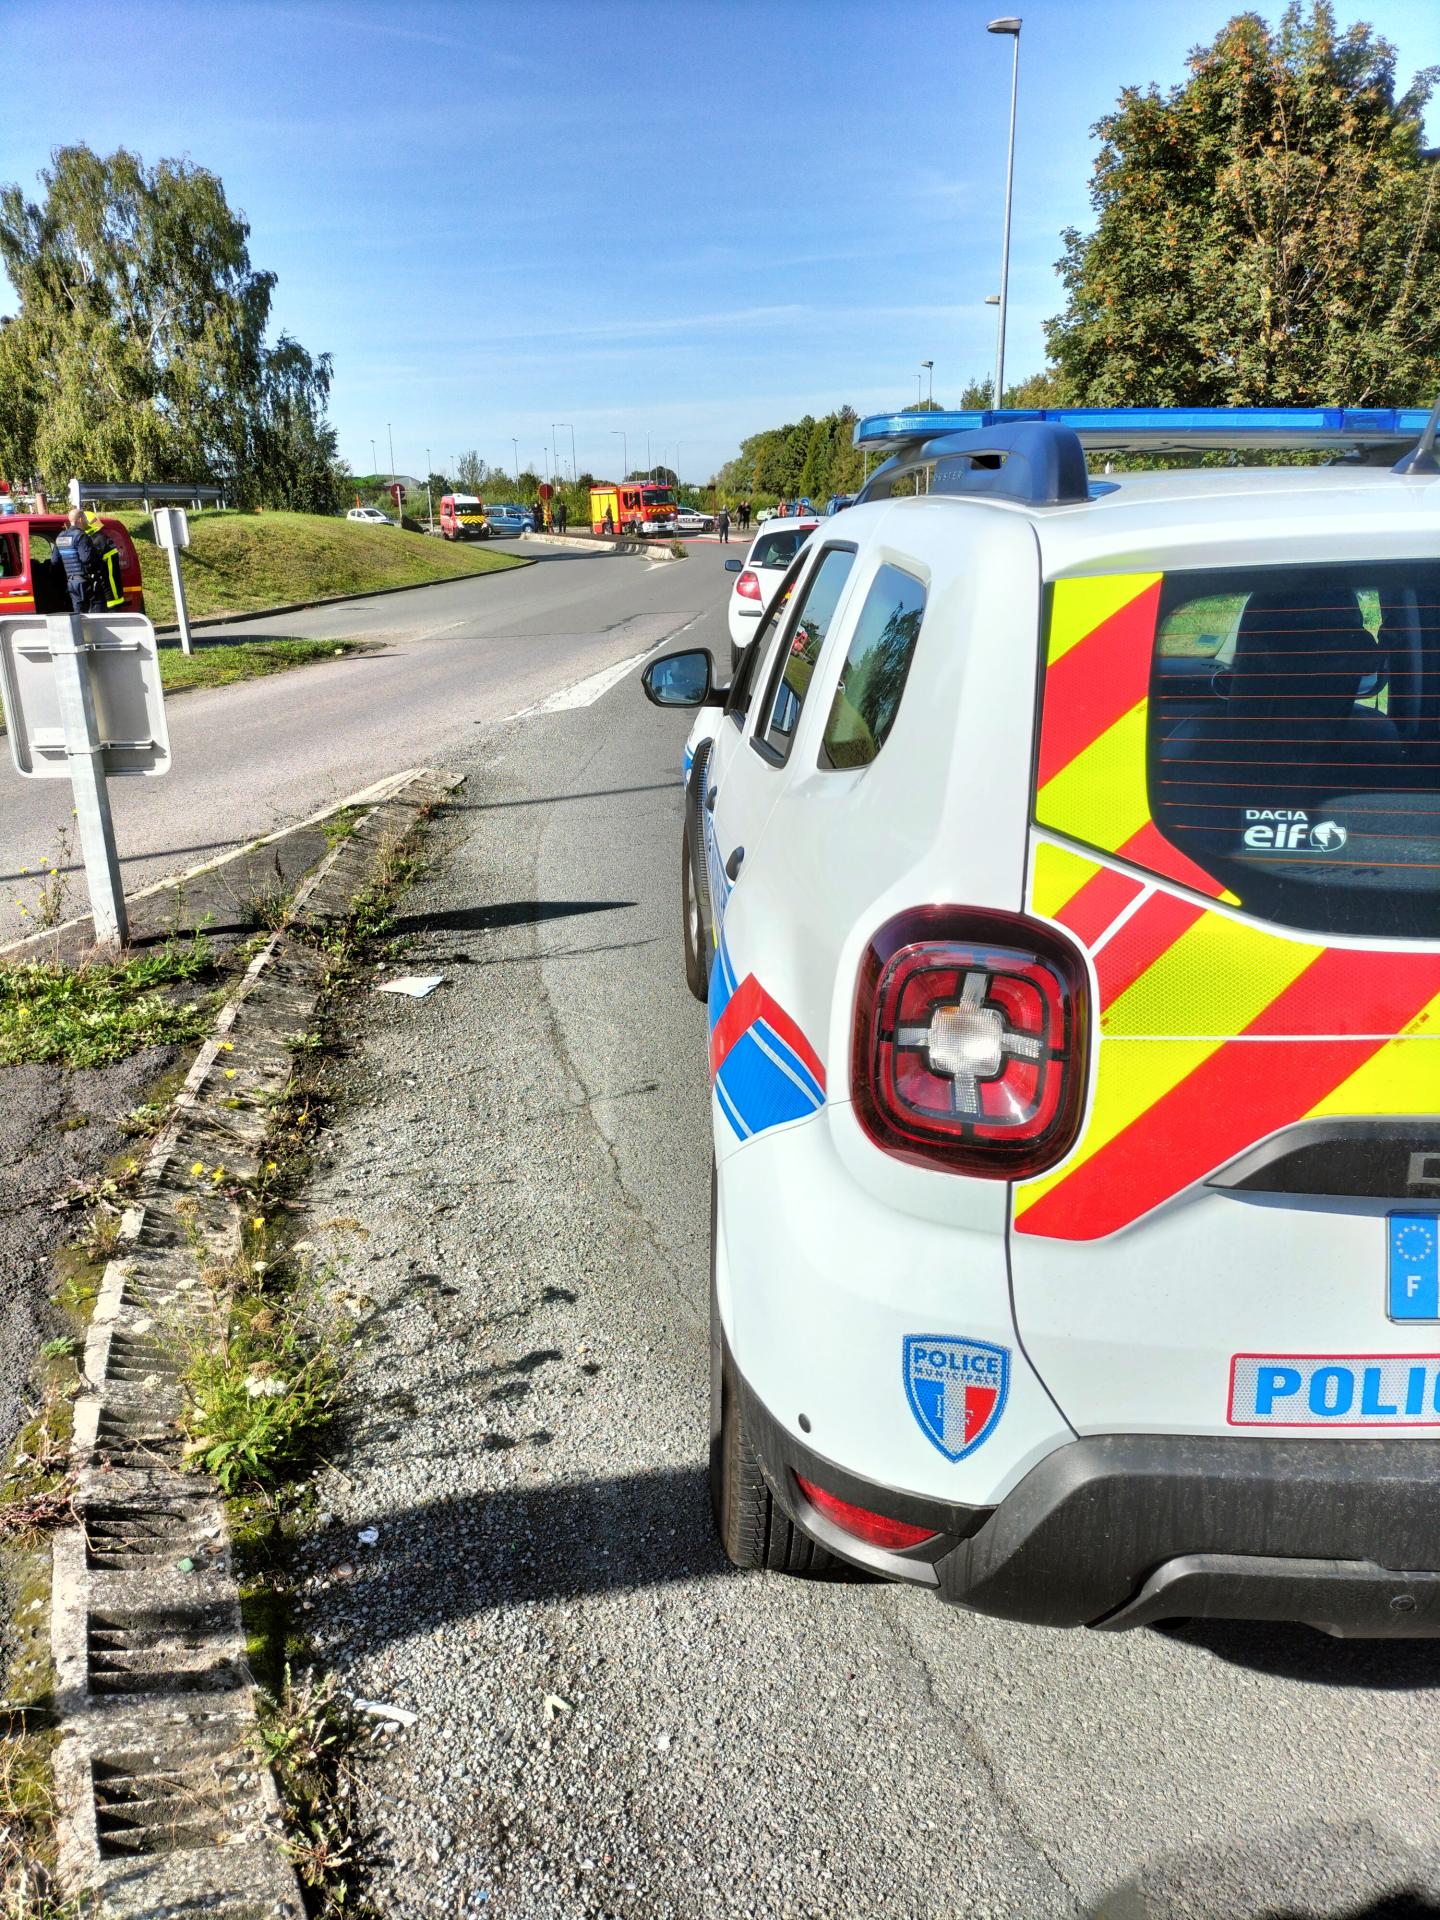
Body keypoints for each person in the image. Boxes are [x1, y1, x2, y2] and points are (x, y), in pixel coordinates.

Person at [53, 507, 125, 614]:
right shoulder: (82, 536)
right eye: (85, 519)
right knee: (95, 610)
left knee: (78, 614)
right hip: (84, 581)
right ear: (81, 520)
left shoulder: (60, 536)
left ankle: (79, 630)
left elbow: (55, 561)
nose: (86, 521)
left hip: (71, 582)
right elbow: (87, 560)